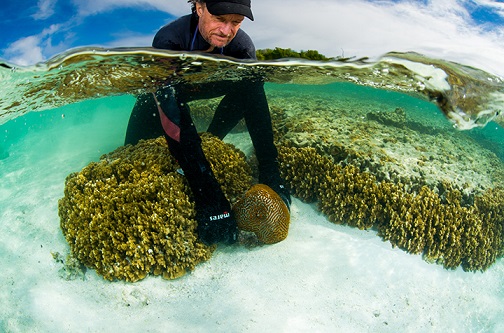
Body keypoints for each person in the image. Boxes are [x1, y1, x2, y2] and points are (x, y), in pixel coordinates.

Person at [125, 0, 290, 245]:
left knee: (251, 83)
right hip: (158, 102)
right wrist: (209, 195)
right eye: (220, 19)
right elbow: (171, 110)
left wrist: (271, 173)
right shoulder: (169, 40)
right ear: (200, 7)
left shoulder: (243, 48)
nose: (226, 31)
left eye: (236, 22)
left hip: (209, 87)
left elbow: (253, 102)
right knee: (129, 153)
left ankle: (212, 139)